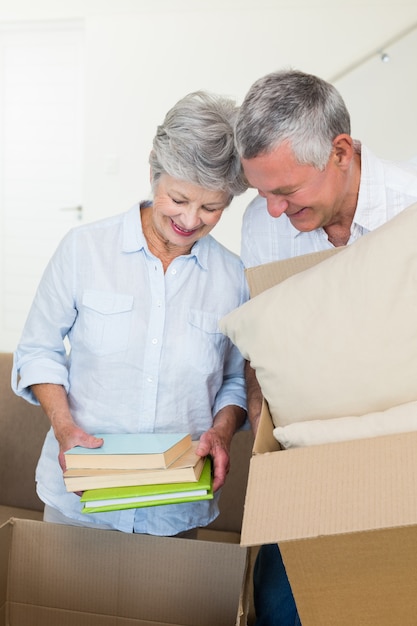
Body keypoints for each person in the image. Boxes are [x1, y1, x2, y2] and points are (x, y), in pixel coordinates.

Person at [12, 90, 249, 536]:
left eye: (212, 207)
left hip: (175, 507)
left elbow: (235, 379)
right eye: (178, 198)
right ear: (153, 170)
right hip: (78, 497)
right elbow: (38, 350)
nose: (191, 219)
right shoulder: (84, 250)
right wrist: (64, 427)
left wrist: (221, 430)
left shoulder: (233, 277)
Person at [234, 69, 417, 626]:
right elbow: (264, 352)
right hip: (308, 466)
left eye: (286, 191)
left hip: (403, 456)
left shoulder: (411, 209)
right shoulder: (262, 228)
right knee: (279, 609)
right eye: (262, 192)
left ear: (341, 151)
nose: (272, 210)